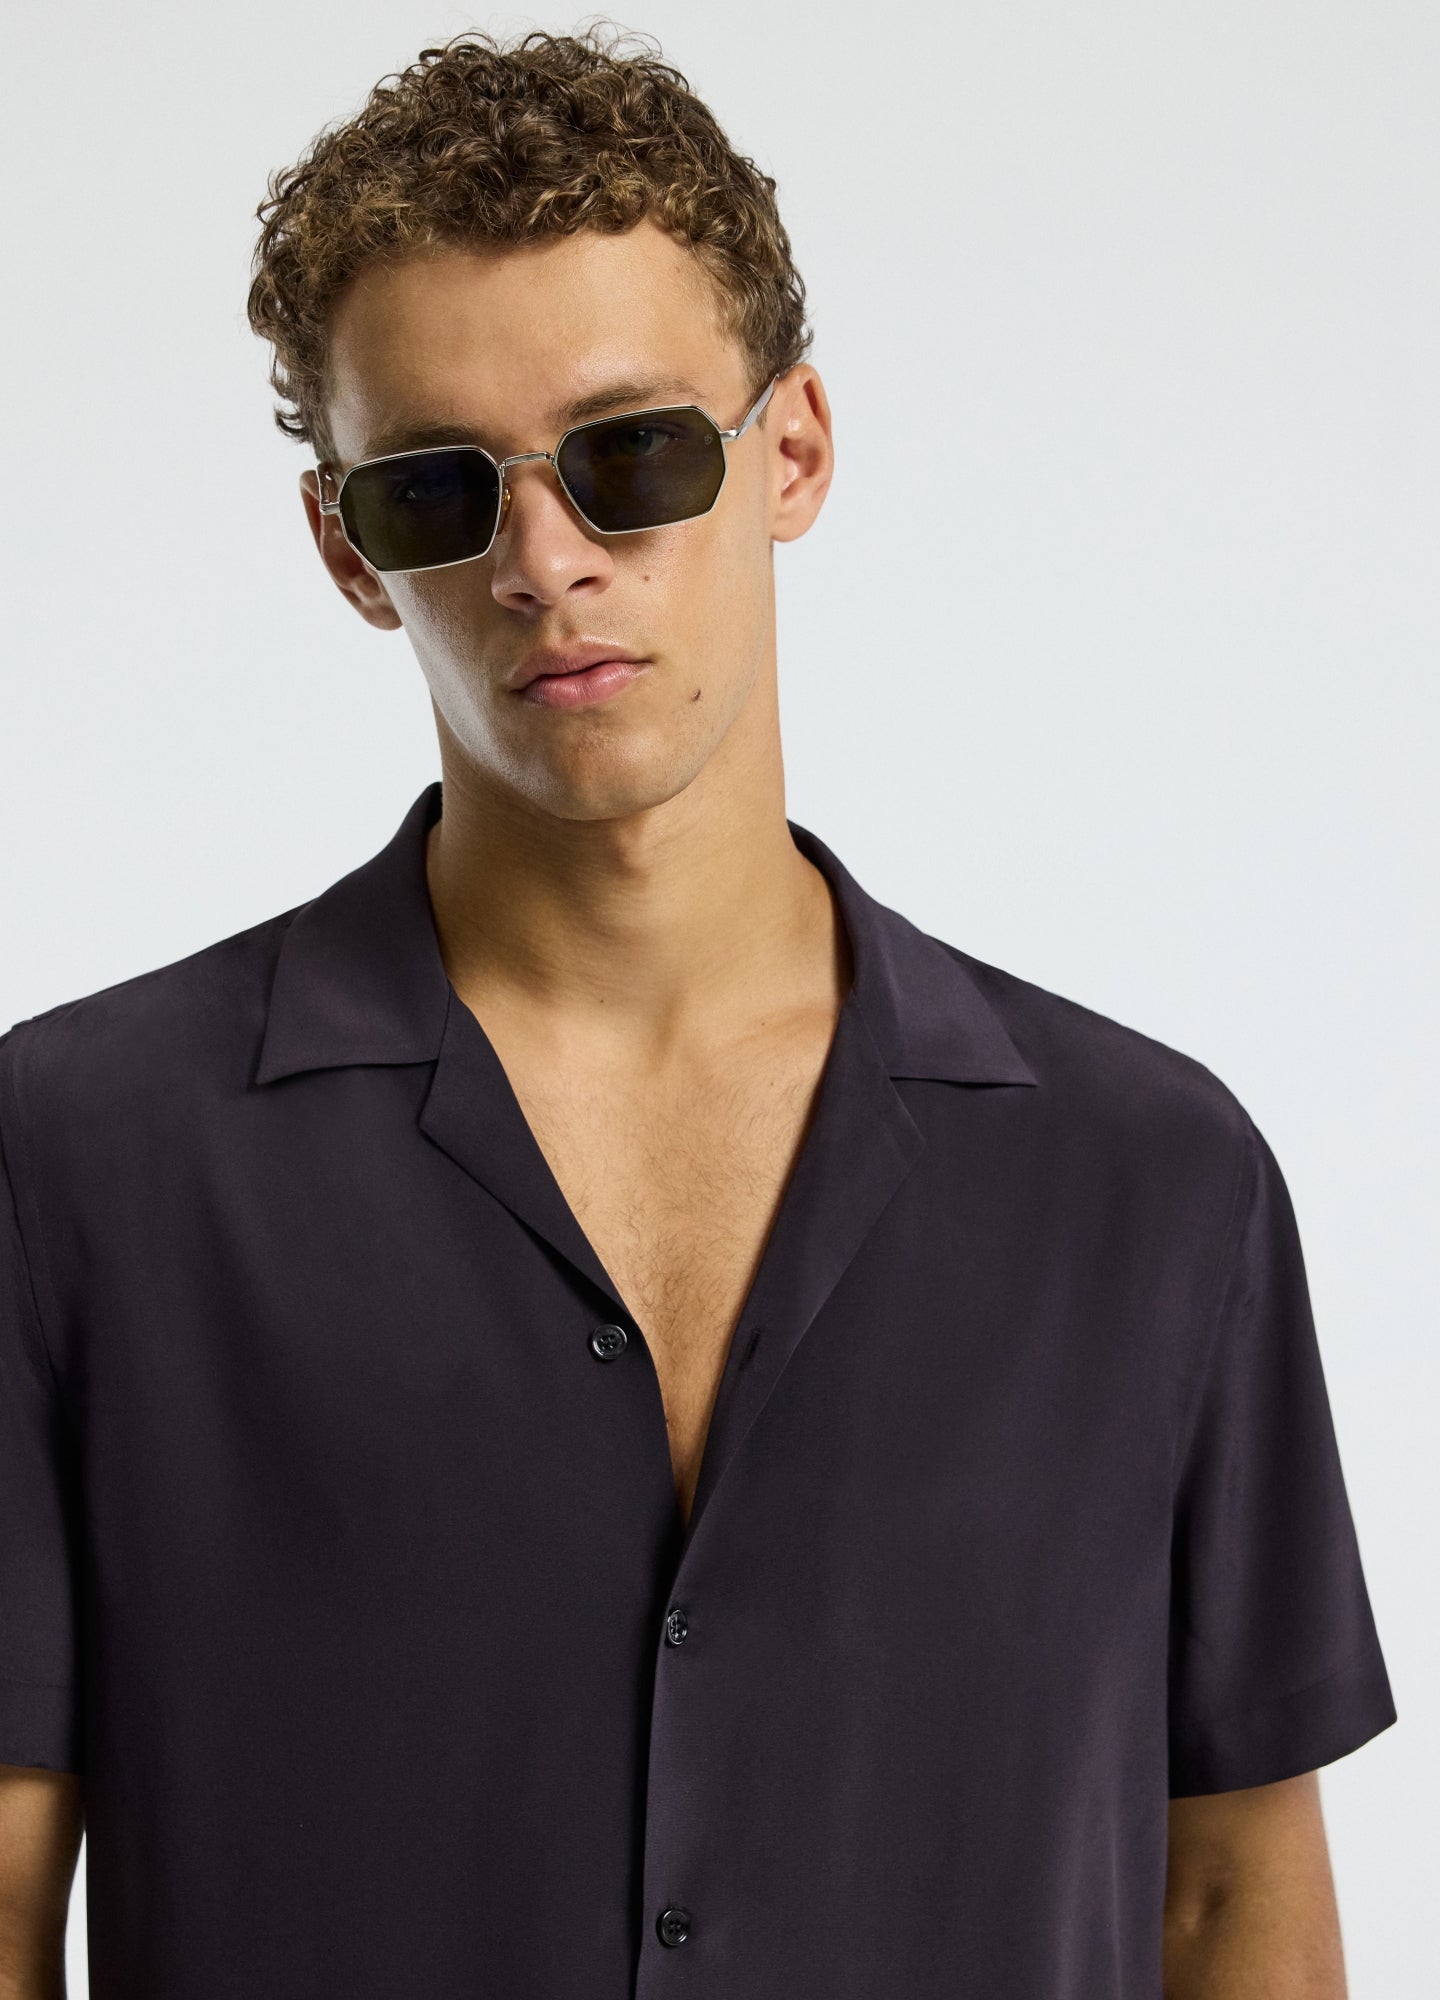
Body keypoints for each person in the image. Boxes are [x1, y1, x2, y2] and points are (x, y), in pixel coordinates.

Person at [0, 27, 1396, 1999]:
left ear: (792, 450)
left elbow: (1232, 1899)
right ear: (345, 547)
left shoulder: (1155, 1182)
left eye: (631, 454)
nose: (543, 562)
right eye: (435, 490)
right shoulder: (78, 1163)